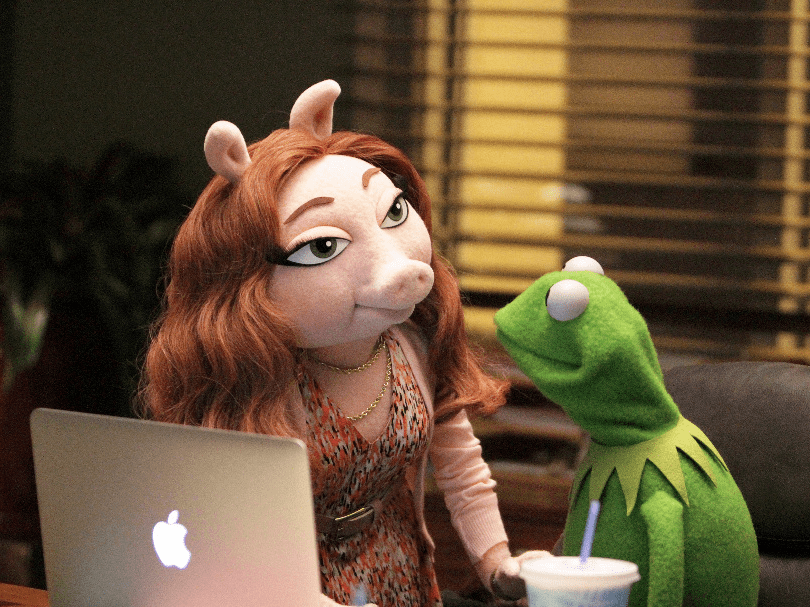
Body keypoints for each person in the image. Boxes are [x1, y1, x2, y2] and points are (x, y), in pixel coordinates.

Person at [138, 80, 546, 607]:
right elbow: (233, 534)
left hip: (400, 571)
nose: (398, 263)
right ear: (245, 283)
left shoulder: (413, 347)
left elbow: (462, 468)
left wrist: (498, 565)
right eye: (323, 246)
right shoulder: (258, 381)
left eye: (394, 213)